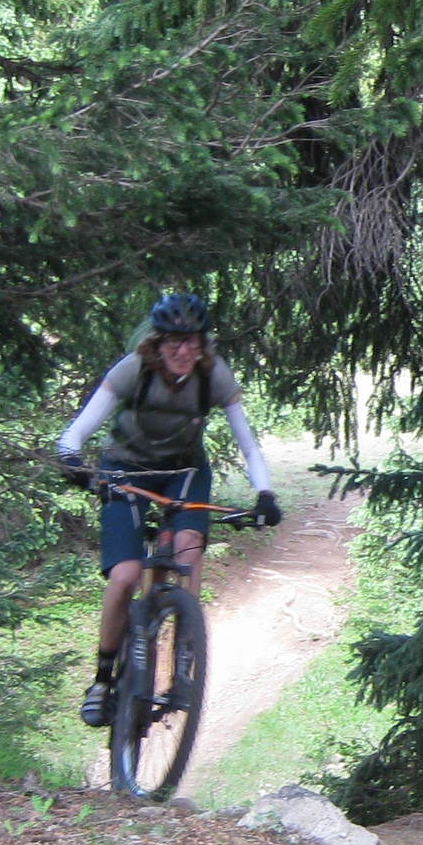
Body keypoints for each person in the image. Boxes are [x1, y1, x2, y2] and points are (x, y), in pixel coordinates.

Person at [52, 293, 283, 726]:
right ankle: (102, 680)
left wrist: (265, 494)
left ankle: (183, 665)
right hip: (127, 470)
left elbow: (248, 444)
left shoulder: (214, 376)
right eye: (174, 341)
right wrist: (72, 462)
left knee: (188, 553)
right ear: (158, 343)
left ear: (202, 343)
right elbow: (76, 432)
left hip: (185, 471)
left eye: (191, 341)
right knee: (124, 576)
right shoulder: (131, 370)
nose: (183, 351)